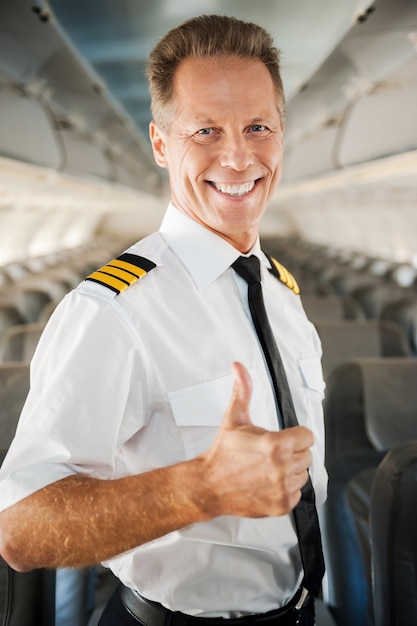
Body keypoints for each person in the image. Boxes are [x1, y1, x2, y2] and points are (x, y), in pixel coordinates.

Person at [0, 14, 327, 626]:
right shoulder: (112, 310)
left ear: (282, 134)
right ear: (159, 143)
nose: (238, 157)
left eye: (258, 127)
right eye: (205, 131)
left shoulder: (281, 292)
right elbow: (21, 529)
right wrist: (200, 488)